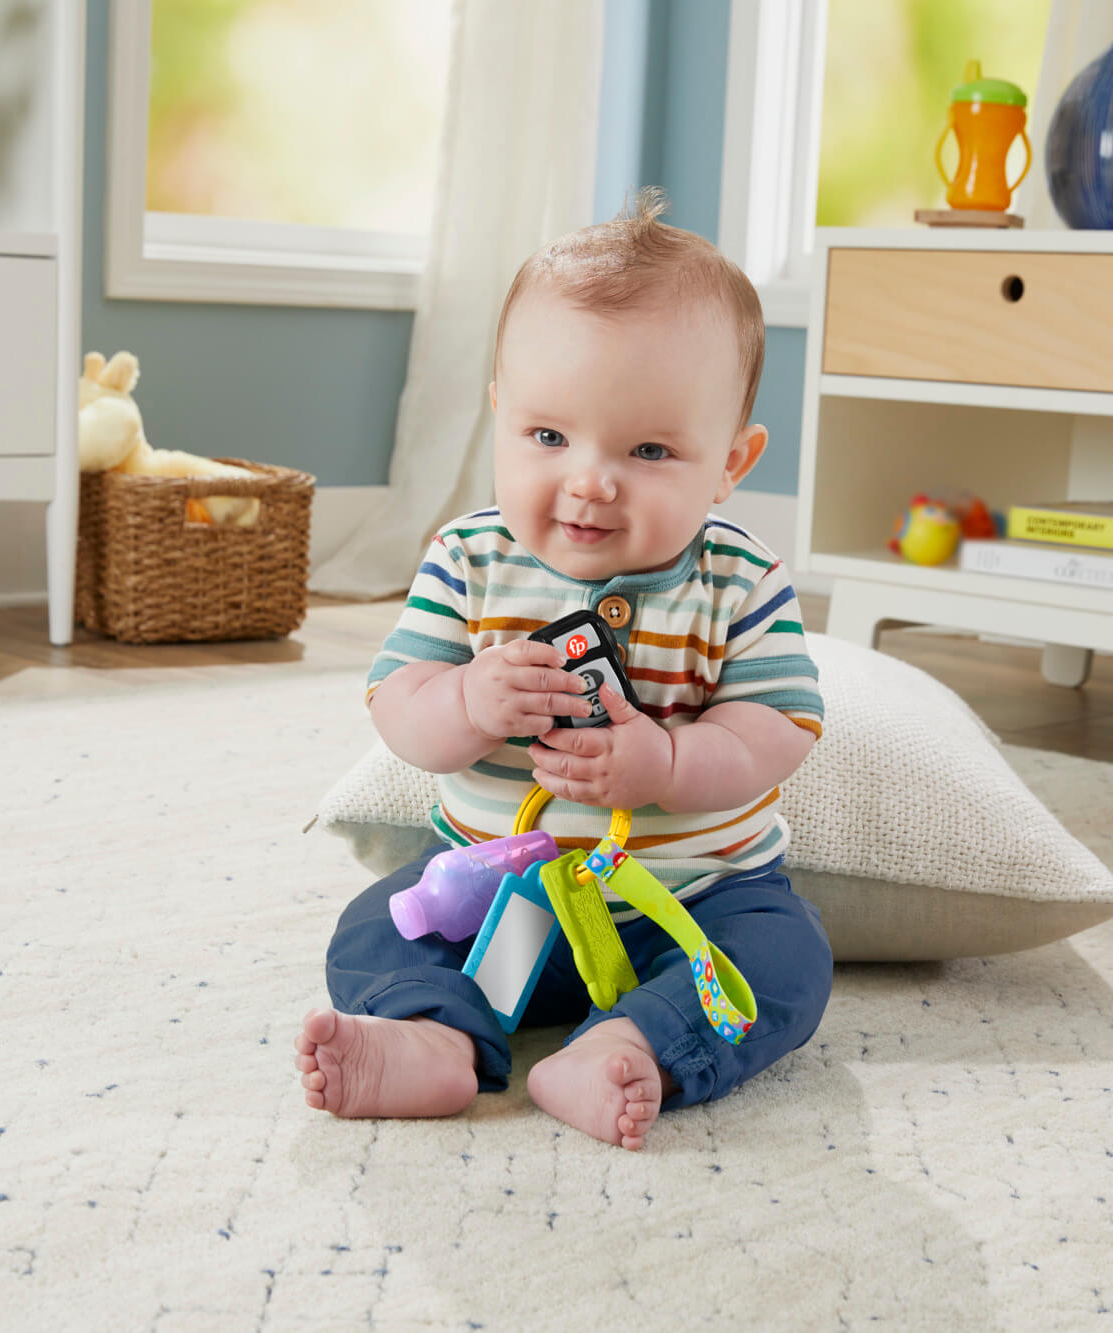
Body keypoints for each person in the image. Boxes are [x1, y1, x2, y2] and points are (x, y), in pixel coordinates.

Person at [296, 189, 831, 1151]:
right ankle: (431, 1040)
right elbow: (399, 708)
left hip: (692, 907)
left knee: (790, 962)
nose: (590, 479)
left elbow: (777, 729)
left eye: (651, 449)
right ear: (501, 414)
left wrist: (666, 766)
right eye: (549, 437)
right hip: (497, 896)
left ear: (730, 463)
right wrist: (466, 697)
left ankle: (630, 1044)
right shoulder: (468, 560)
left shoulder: (739, 579)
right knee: (377, 923)